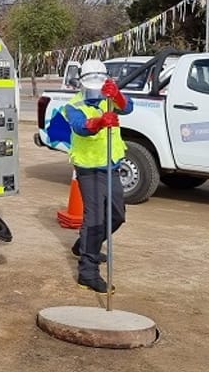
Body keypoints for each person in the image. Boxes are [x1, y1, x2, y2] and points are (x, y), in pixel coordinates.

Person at [61, 58, 134, 293]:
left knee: (116, 216)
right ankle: (88, 271)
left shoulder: (108, 97)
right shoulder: (73, 105)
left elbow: (128, 107)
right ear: (81, 83)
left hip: (111, 166)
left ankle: (83, 245)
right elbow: (80, 126)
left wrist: (118, 96)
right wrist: (101, 122)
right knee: (94, 221)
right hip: (89, 170)